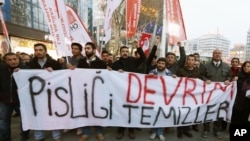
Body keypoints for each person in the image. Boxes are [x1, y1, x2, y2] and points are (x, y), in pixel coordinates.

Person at [27, 43, 62, 141]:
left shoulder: (54, 63)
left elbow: (61, 76)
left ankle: (56, 135)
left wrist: (53, 72)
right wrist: (18, 71)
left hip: (52, 93)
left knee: (53, 113)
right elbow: (26, 76)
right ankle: (39, 135)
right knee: (37, 114)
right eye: (36, 50)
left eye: (40, 50)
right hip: (36, 94)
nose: (38, 52)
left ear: (45, 51)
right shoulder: (31, 64)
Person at [112, 45, 146, 140]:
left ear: (129, 52)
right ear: (120, 52)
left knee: (131, 110)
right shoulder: (115, 64)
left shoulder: (134, 61)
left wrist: (138, 47)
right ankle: (121, 130)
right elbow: (110, 75)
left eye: (127, 51)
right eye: (123, 51)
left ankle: (131, 130)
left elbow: (143, 58)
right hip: (120, 92)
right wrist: (115, 72)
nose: (125, 52)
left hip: (132, 91)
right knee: (121, 110)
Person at [77, 42, 106, 141]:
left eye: (88, 48)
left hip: (97, 92)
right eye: (85, 48)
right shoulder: (81, 62)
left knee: (97, 111)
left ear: (94, 50)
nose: (86, 50)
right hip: (84, 91)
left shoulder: (101, 63)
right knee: (85, 111)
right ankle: (86, 132)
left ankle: (99, 131)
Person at [201, 49, 231, 139]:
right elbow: (201, 75)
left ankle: (216, 130)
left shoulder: (226, 66)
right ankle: (206, 130)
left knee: (219, 112)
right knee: (207, 112)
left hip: (221, 95)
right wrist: (205, 79)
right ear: (212, 55)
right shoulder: (206, 66)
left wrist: (228, 80)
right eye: (215, 53)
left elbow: (229, 76)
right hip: (209, 95)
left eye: (219, 53)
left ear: (221, 55)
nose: (217, 55)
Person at [0, 53, 30, 141]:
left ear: (18, 59)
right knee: (3, 121)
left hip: (21, 100)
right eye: (9, 60)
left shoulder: (25, 69)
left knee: (24, 119)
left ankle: (24, 134)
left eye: (14, 59)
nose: (13, 61)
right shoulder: (1, 70)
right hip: (4, 101)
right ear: (5, 61)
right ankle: (5, 137)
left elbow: (32, 83)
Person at [148, 57, 176, 141]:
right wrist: (148, 77)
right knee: (154, 114)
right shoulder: (152, 72)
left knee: (161, 115)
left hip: (164, 98)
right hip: (154, 97)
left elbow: (173, 85)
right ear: (157, 64)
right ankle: (154, 132)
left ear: (165, 65)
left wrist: (175, 78)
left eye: (162, 63)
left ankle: (160, 133)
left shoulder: (169, 73)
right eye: (159, 63)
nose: (160, 65)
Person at [176, 54, 201, 138]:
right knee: (181, 113)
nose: (190, 61)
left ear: (194, 61)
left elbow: (200, 83)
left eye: (192, 60)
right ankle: (180, 130)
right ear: (187, 61)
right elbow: (175, 82)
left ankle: (186, 130)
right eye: (189, 59)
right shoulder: (180, 70)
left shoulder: (197, 72)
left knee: (190, 113)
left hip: (192, 97)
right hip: (182, 95)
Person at [229, 61, 250, 140]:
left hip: (247, 105)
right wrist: (233, 80)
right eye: (245, 66)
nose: (246, 68)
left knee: (244, 122)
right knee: (235, 122)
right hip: (237, 104)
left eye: (248, 66)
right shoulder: (239, 77)